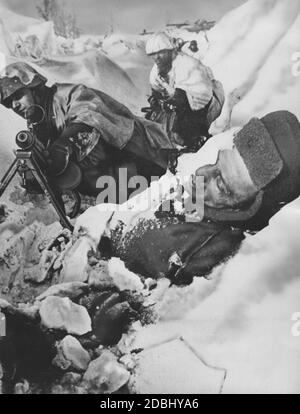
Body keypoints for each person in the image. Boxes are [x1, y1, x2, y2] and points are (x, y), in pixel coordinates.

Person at [74, 110, 300, 285]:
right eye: (215, 164)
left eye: (221, 183)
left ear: (247, 209)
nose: (202, 173)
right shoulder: (205, 200)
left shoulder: (203, 257)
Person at [0, 62, 174, 202]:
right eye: (9, 102)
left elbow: (90, 116)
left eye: (18, 96)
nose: (15, 105)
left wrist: (64, 145)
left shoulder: (69, 94)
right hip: (116, 181)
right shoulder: (39, 122)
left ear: (34, 88)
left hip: (147, 157)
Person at [145, 31, 224, 150]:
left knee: (183, 132)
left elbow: (201, 93)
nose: (156, 58)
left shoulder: (188, 65)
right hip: (173, 109)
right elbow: (156, 90)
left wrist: (176, 100)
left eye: (160, 53)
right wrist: (155, 100)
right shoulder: (156, 71)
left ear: (169, 51)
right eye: (153, 54)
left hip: (199, 108)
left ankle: (195, 143)